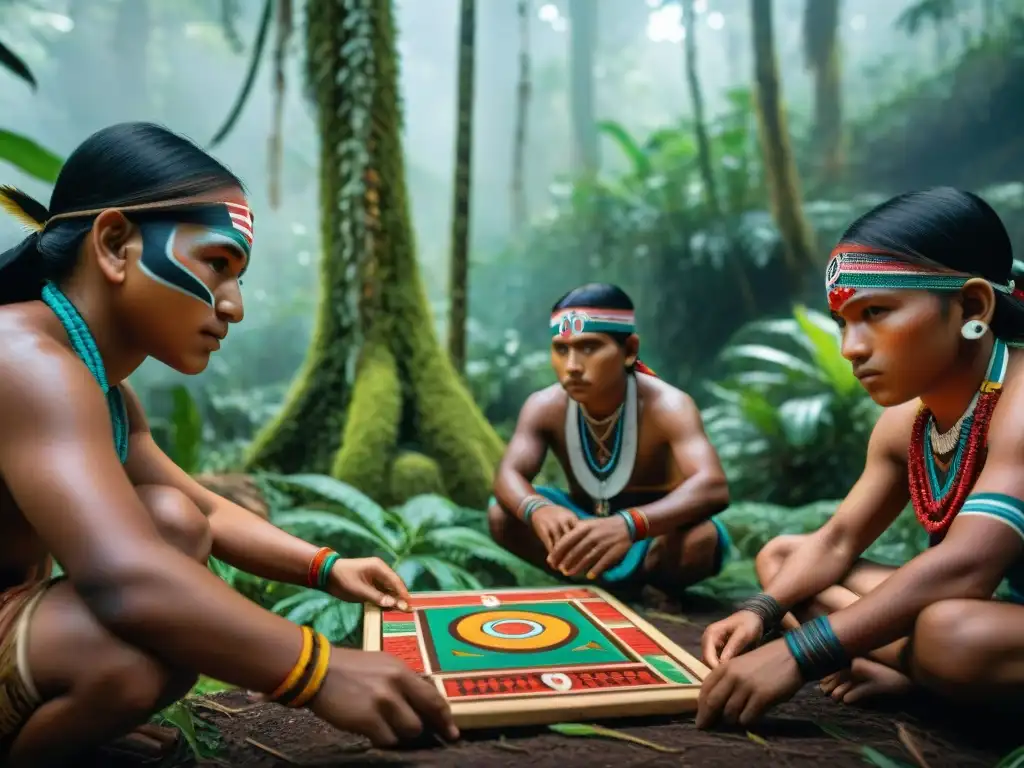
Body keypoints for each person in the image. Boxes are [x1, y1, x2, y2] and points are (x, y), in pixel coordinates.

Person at [0, 122, 458, 767]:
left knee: (172, 521)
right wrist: (318, 670)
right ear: (113, 243)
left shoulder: (101, 390)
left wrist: (329, 569)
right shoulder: (23, 358)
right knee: (131, 654)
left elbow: (206, 510)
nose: (233, 306)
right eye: (217, 264)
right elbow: (123, 578)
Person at [695, 187, 1024, 730]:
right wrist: (760, 612)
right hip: (995, 614)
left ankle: (930, 671)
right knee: (784, 561)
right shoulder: (906, 422)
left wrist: (796, 653)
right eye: (844, 321)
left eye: (876, 312)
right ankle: (933, 673)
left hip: (979, 622)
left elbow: (968, 566)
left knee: (951, 632)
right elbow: (837, 541)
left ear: (971, 307)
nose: (851, 346)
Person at [488, 282, 733, 591]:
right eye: (562, 350)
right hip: (585, 526)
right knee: (503, 515)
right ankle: (585, 578)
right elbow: (507, 474)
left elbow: (713, 486)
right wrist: (538, 509)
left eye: (589, 348)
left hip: (652, 535)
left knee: (701, 539)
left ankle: (650, 587)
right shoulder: (544, 406)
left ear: (629, 351)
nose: (572, 366)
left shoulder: (668, 406)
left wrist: (629, 525)